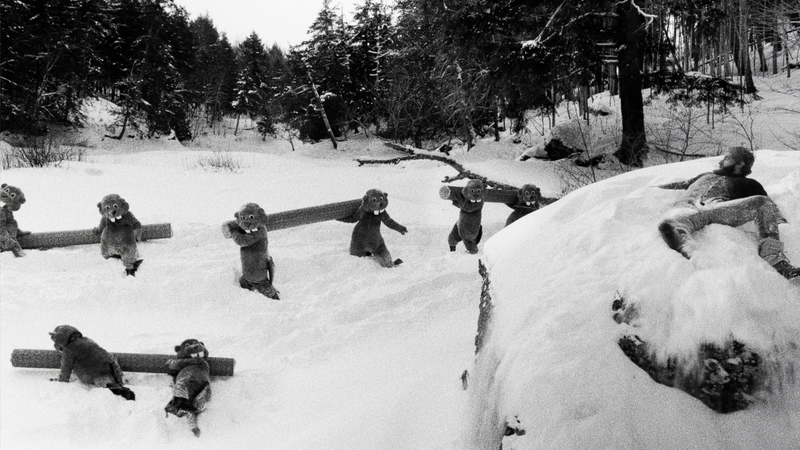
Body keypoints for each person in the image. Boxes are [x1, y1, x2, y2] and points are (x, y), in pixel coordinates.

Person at [657, 146, 799, 280]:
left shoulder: (750, 184)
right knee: (669, 224)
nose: (720, 161)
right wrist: (652, 189)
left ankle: (774, 259)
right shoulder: (704, 175)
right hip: (686, 207)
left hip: (716, 208)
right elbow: (677, 185)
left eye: (727, 158)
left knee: (762, 202)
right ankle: (693, 255)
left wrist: (780, 221)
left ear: (740, 164)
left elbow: (769, 206)